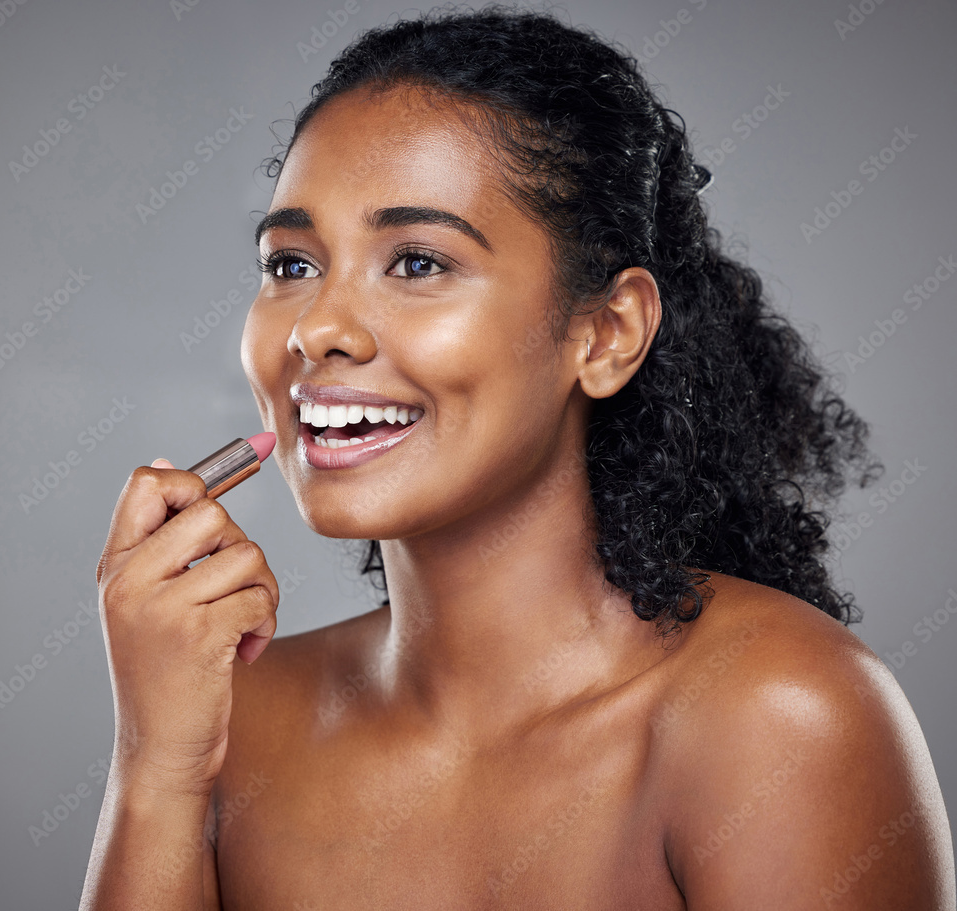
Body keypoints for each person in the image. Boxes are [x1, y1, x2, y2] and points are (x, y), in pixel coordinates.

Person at [79, 5, 956, 908]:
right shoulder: (232, 723)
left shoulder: (778, 718)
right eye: (291, 264)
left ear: (607, 333)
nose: (318, 330)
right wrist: (158, 769)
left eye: (418, 262)